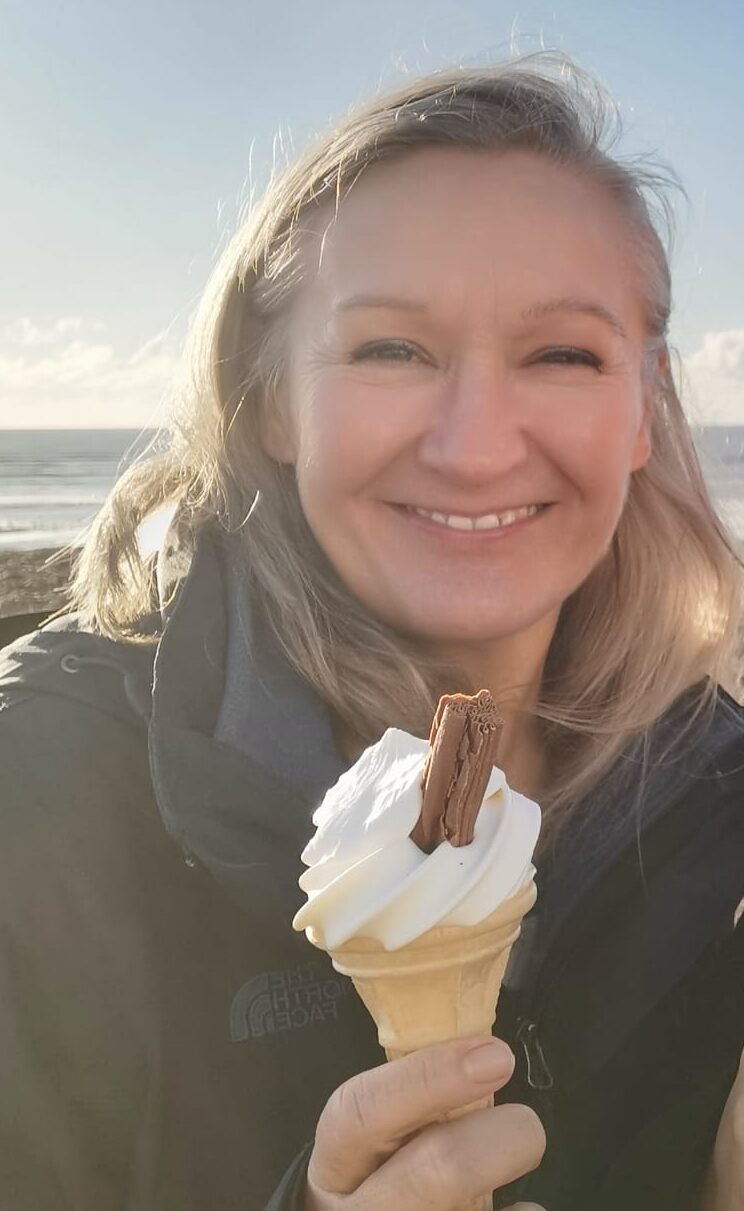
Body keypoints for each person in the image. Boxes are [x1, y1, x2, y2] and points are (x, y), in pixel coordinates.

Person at [1, 52, 742, 1211]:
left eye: (563, 353)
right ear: (271, 398)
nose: (475, 445)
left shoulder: (716, 789)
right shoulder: (39, 787)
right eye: (391, 348)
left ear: (644, 406)